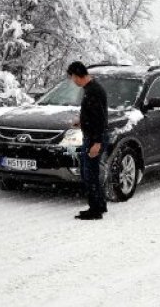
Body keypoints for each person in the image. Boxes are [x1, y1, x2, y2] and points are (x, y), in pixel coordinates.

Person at [68, 61, 109, 220]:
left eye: (72, 77)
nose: (73, 81)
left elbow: (99, 118)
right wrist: (82, 121)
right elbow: (94, 114)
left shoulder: (93, 91)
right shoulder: (92, 89)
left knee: (89, 174)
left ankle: (95, 210)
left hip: (94, 138)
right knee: (91, 172)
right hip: (93, 136)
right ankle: (100, 204)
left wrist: (97, 143)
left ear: (78, 75)